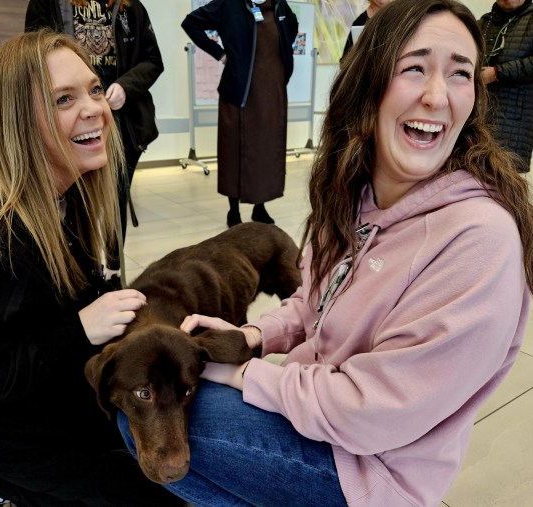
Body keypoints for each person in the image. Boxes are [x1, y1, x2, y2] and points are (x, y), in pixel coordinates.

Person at [119, 0, 533, 505]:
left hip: (372, 462)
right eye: (415, 68)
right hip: (321, 405)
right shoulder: (353, 197)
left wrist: (249, 374)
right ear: (369, 84)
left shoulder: (478, 240)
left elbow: (374, 412)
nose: (436, 95)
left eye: (460, 73)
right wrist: (251, 336)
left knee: (165, 420)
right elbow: (313, 304)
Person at [0, 30, 184, 507]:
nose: (95, 109)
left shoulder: (63, 192)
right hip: (8, 430)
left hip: (47, 391)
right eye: (64, 98)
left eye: (94, 90)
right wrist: (77, 333)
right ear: (17, 119)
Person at [25, 0, 164, 239]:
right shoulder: (47, 4)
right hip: (68, 123)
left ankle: (113, 268)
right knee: (72, 202)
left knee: (116, 199)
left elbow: (153, 60)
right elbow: (31, 59)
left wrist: (125, 86)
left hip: (123, 122)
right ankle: (76, 268)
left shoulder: (130, 7)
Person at [181, 0, 298, 228]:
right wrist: (221, 54)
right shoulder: (229, 5)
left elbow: (291, 27)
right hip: (238, 92)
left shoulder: (280, 6)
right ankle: (233, 210)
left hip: (271, 93)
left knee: (266, 150)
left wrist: (284, 55)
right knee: (233, 151)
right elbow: (191, 23)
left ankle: (260, 207)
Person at [478, 0, 533, 172]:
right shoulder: (483, 22)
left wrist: (497, 73)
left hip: (515, 121)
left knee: (502, 185)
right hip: (478, 117)